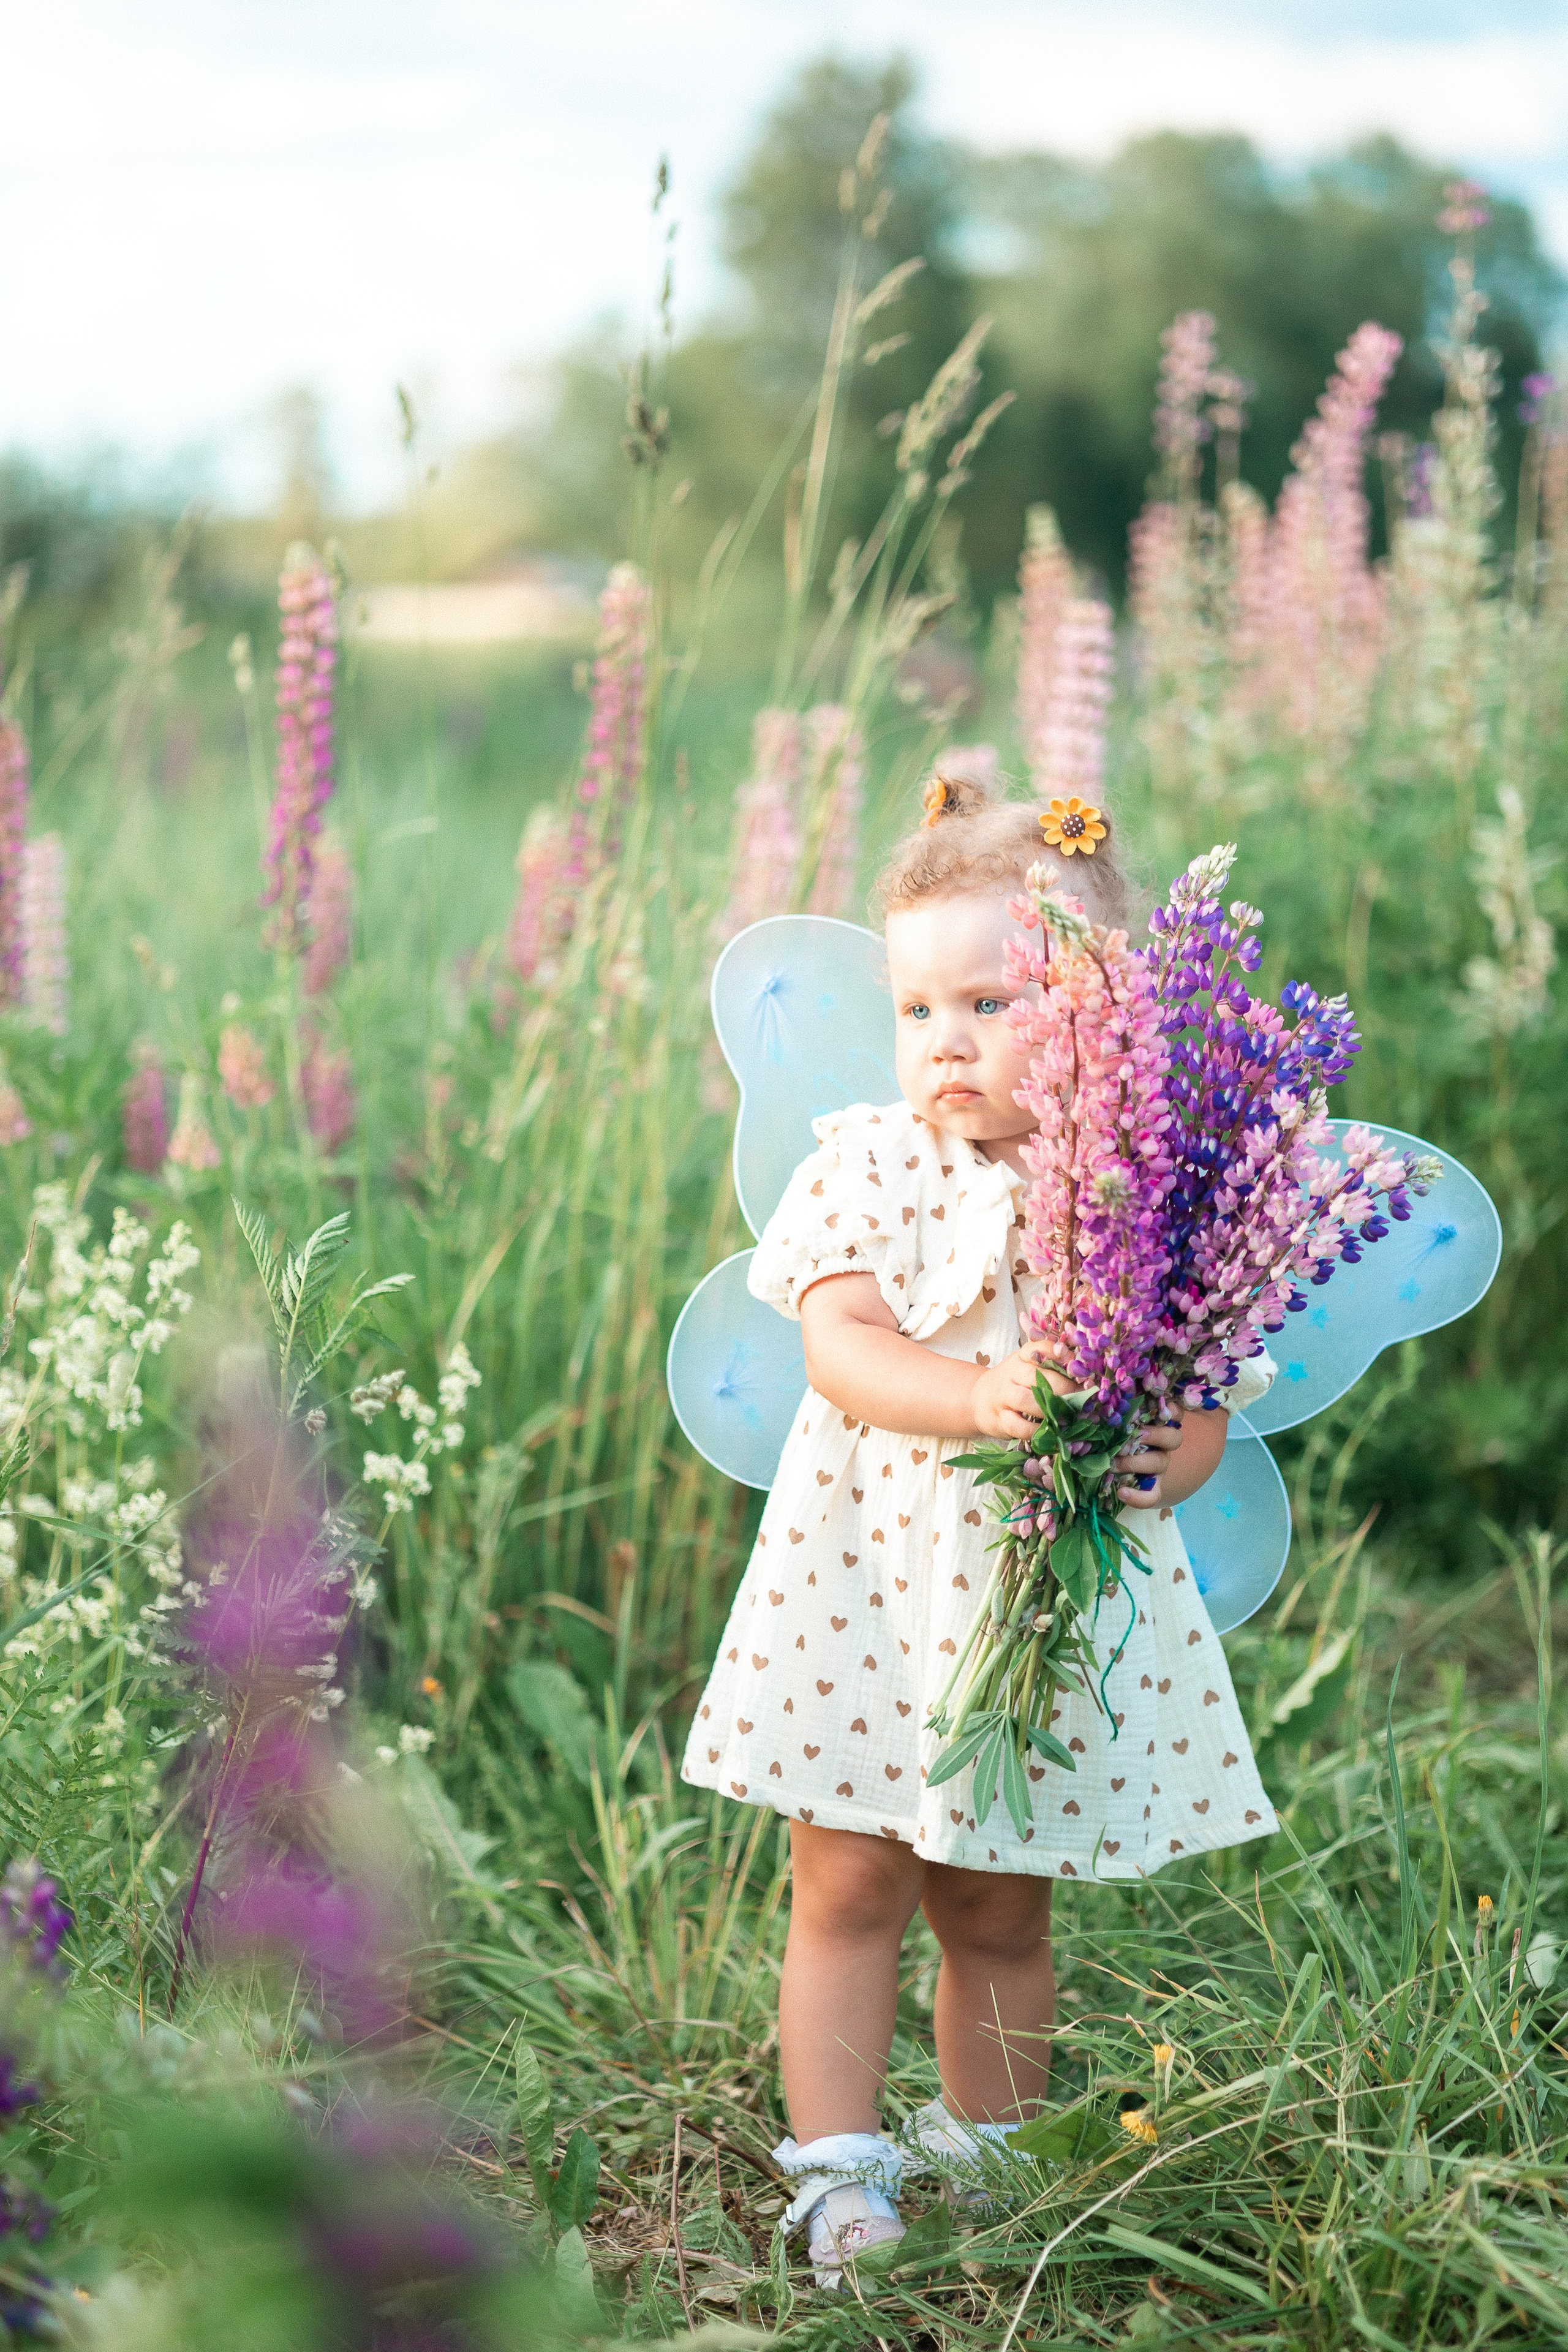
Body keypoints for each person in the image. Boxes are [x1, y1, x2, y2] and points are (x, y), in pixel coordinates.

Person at [681, 775, 1277, 2283]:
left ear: (1099, 1015)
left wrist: (1164, 1454)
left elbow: (1199, 1404)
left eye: (991, 999)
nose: (943, 1040)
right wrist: (975, 1394)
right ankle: (834, 2168)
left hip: (1033, 1607)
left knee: (998, 1896)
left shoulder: (1150, 1201)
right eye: (915, 1005)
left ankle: (989, 2152)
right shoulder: (875, 1161)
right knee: (849, 1879)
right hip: (867, 1598)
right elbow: (840, 1348)